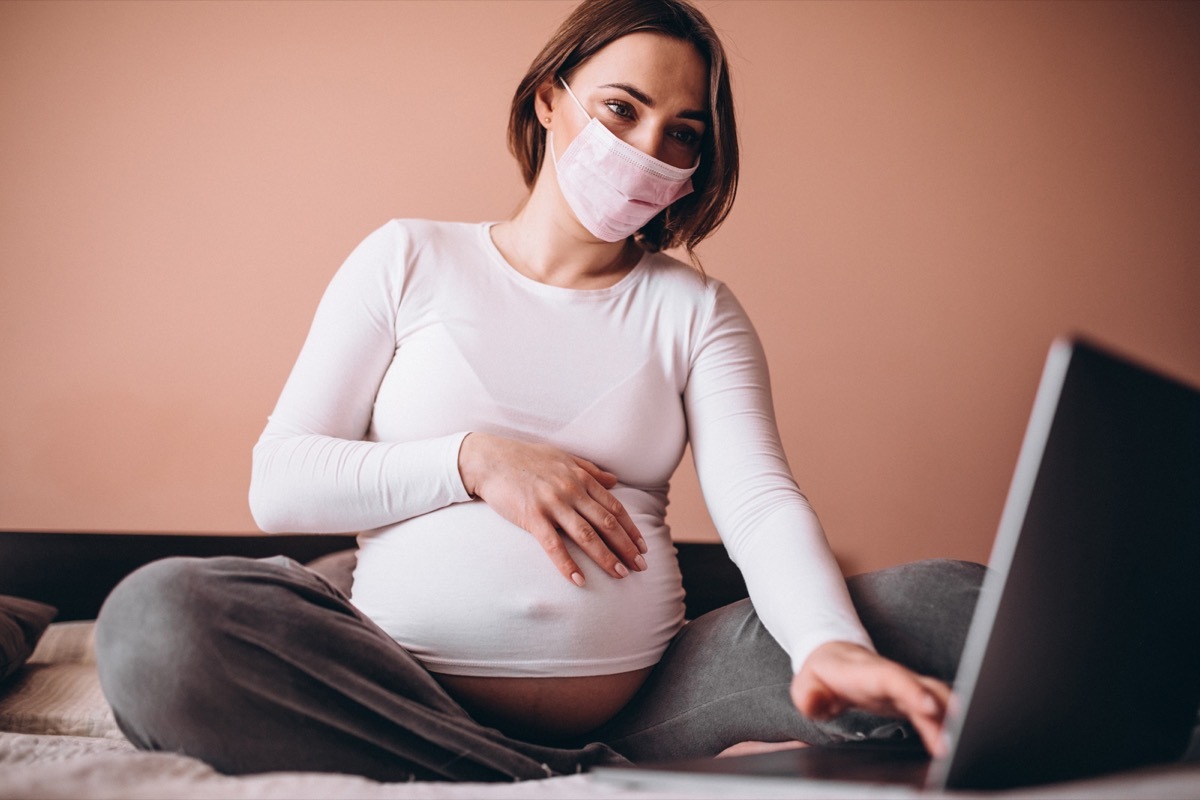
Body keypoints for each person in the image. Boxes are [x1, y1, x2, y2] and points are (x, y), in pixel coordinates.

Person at [95, 0, 984, 782]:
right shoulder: (409, 257)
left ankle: (537, 771)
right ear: (549, 99)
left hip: (652, 703)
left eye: (682, 131)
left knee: (959, 608)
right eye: (621, 109)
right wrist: (475, 462)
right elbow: (280, 484)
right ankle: (559, 779)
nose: (648, 149)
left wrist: (832, 645)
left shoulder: (695, 309)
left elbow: (758, 504)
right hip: (391, 682)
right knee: (155, 624)